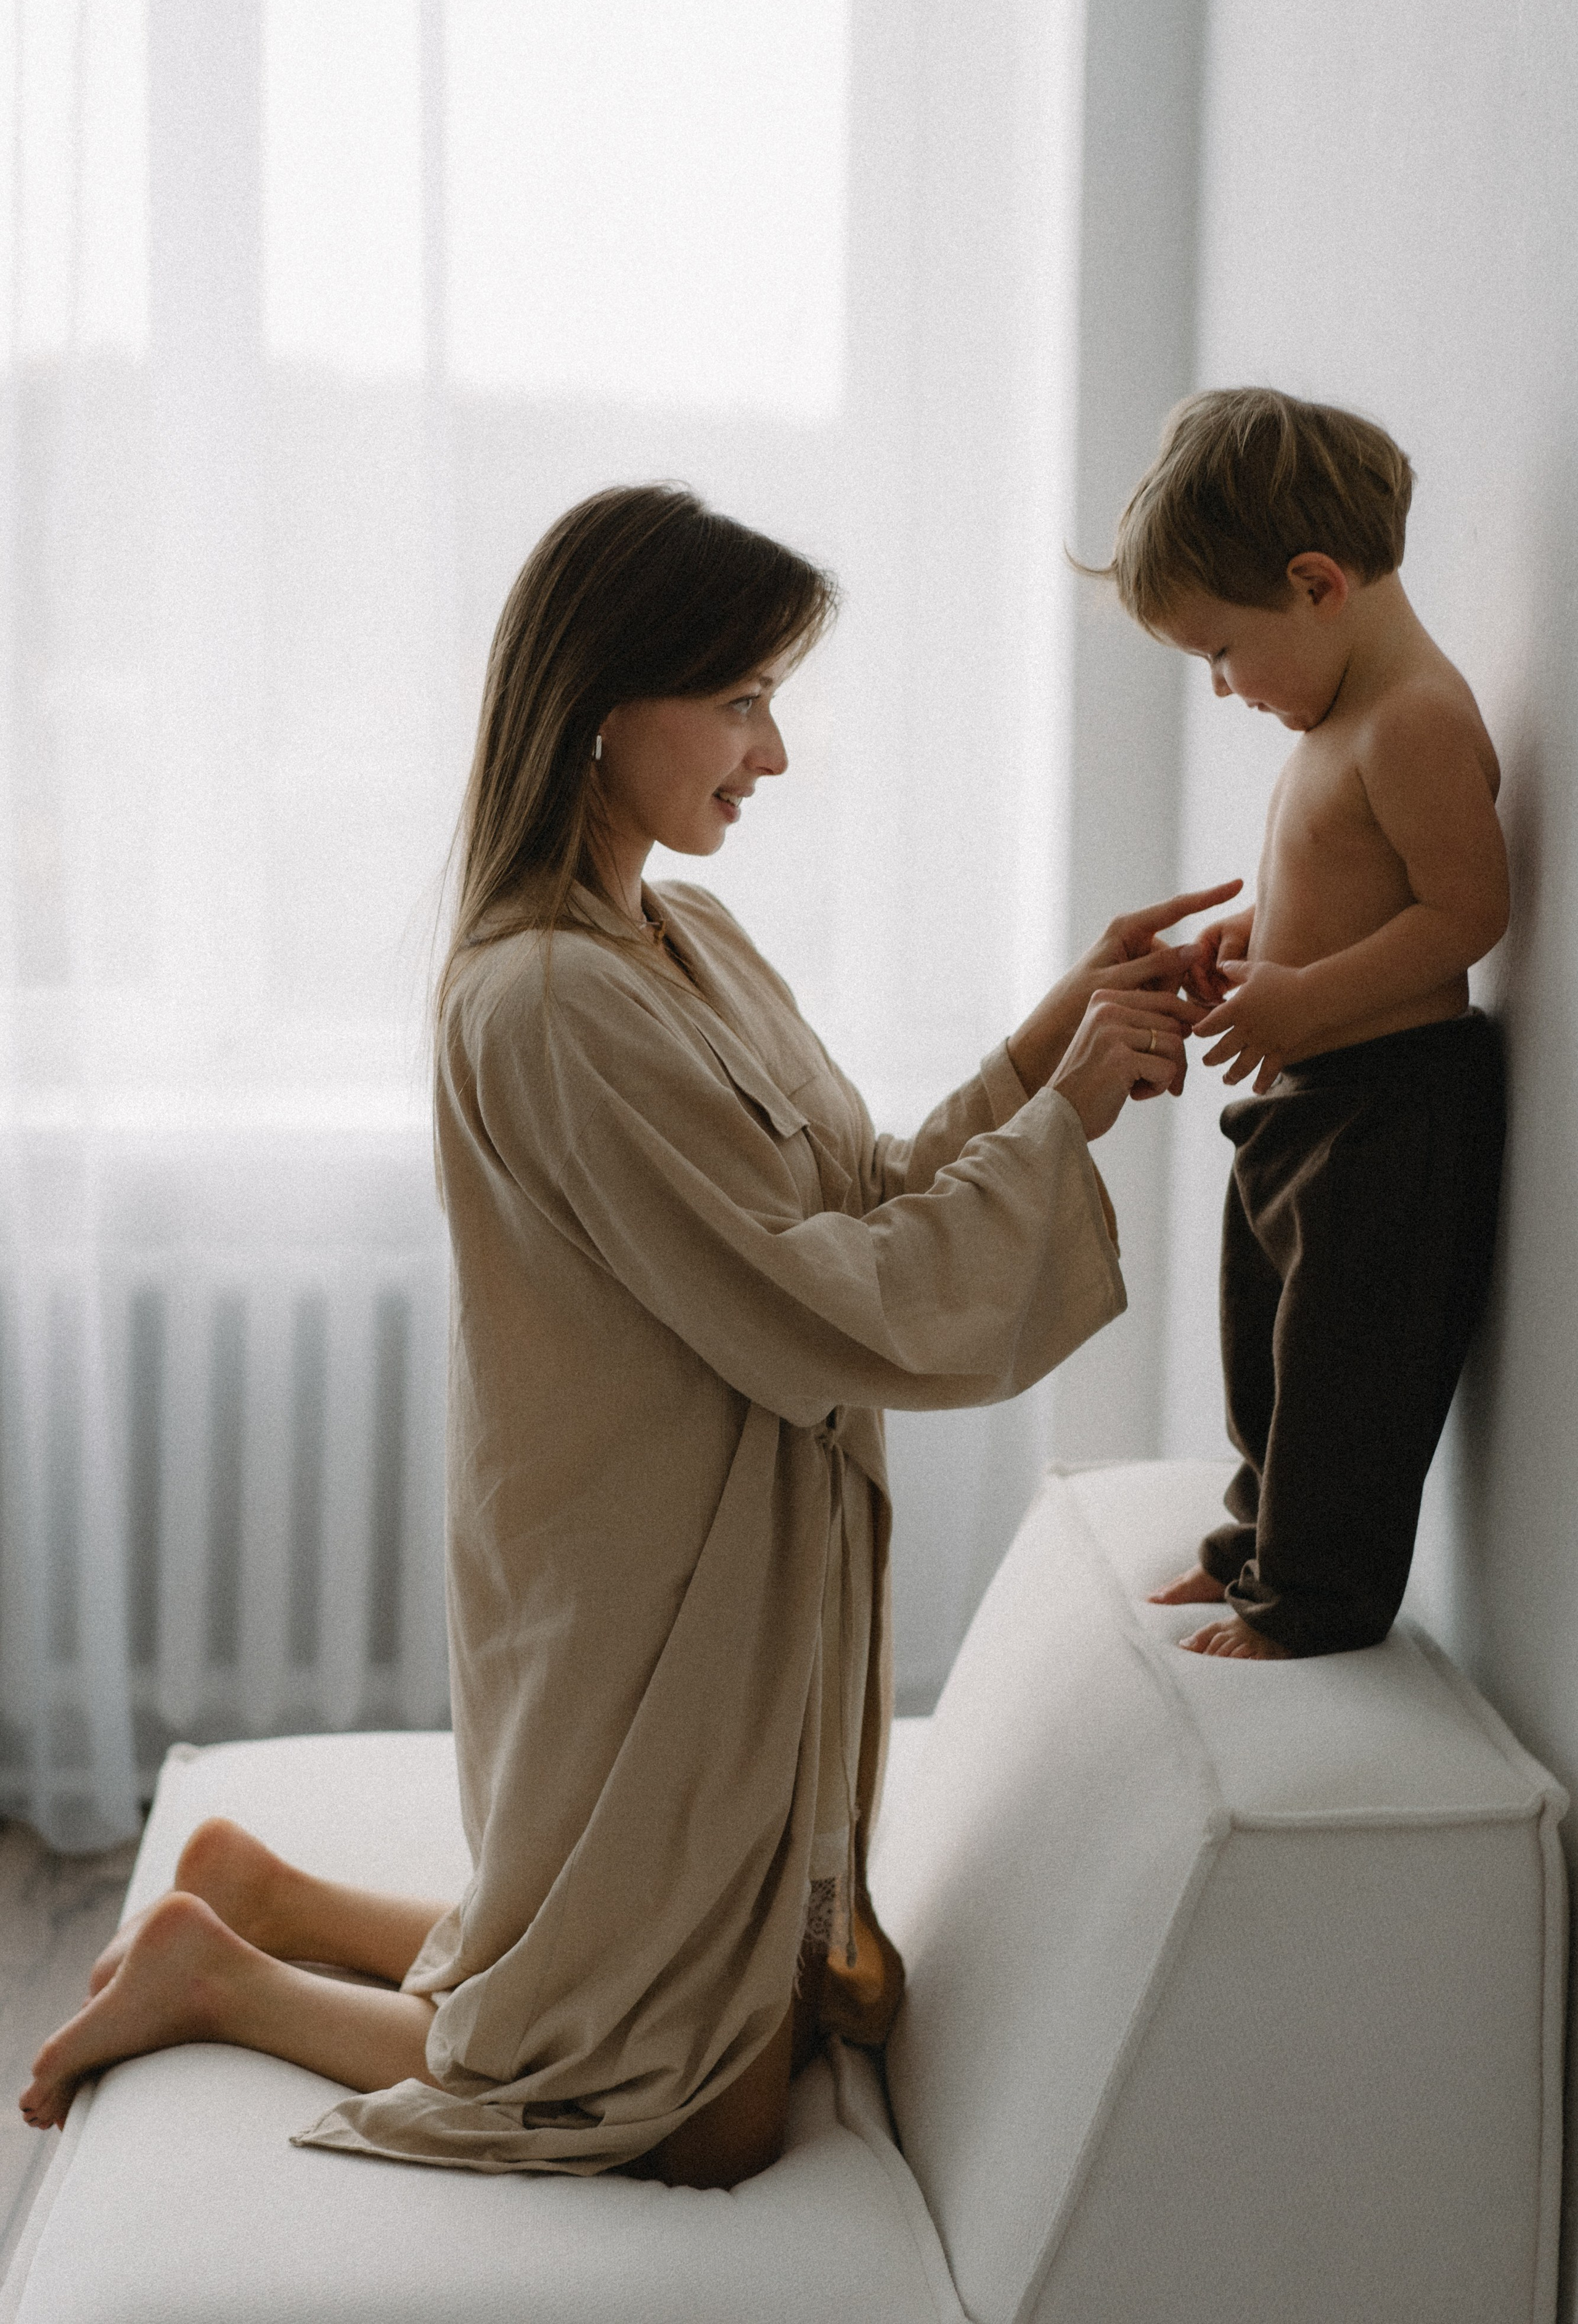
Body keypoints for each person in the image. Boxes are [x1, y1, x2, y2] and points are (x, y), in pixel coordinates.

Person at [23, 485, 1228, 2185]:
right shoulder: (544, 998)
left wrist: (1046, 1049)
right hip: (649, 1578)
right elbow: (820, 1299)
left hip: (715, 1551)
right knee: (686, 2113)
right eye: (741, 702)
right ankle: (221, 1975)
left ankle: (270, 1891)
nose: (773, 755)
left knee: (735, 1998)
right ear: (602, 707)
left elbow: (851, 1195)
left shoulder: (685, 936)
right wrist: (1069, 1119)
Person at [1090, 388, 1508, 1661]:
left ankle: (1313, 1600)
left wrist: (1304, 997)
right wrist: (1253, 937)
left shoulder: (1414, 719)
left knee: (1343, 1374)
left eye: (1220, 651)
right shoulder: (1338, 719)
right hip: (1309, 1103)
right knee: (1268, 1356)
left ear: (1316, 585)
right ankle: (1252, 1546)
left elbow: (1466, 912)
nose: (1221, 688)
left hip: (1390, 1108)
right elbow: (1349, 883)